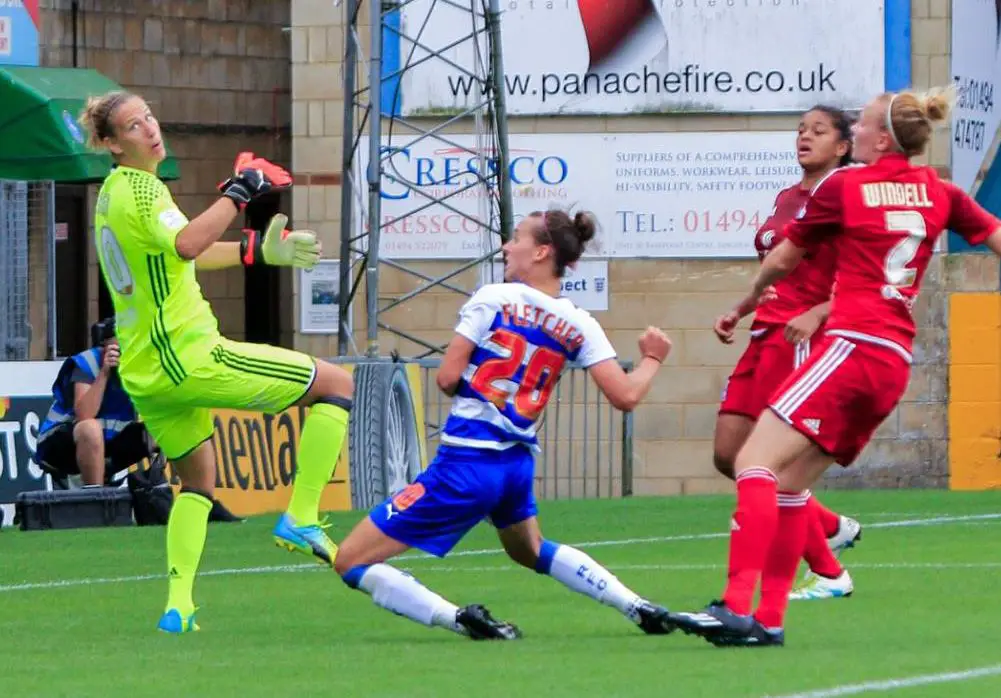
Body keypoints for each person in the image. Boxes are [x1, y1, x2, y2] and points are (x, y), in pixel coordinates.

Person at [669, 86, 1001, 647]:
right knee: (791, 484)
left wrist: (746, 301)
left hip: (850, 347)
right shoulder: (941, 193)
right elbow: (994, 237)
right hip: (893, 362)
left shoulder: (845, 186)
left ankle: (734, 605)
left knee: (753, 461)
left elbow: (783, 258)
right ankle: (769, 621)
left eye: (866, 124)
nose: (860, 131)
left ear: (876, 139)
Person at [80, 91, 355, 634]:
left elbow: (189, 251)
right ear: (111, 144)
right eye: (134, 126)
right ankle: (300, 518)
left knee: (199, 483)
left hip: (147, 369)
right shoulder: (140, 188)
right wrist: (237, 193)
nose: (151, 128)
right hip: (187, 354)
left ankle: (178, 608)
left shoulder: (117, 191)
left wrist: (257, 252)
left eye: (150, 116)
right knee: (336, 385)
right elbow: (186, 244)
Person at [332, 209, 676, 639]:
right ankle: (636, 605)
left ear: (541, 251)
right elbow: (626, 396)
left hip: (466, 462)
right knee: (530, 550)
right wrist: (652, 358)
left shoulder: (493, 297)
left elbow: (445, 378)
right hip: (515, 465)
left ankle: (459, 620)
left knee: (350, 559)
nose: (506, 246)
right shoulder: (579, 322)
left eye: (516, 238)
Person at [713, 106, 862, 602]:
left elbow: (868, 280)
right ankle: (829, 525)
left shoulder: (846, 197)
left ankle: (826, 572)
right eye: (800, 129)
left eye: (818, 131)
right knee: (728, 455)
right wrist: (742, 308)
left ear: (843, 147)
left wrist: (820, 311)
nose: (804, 137)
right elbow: (777, 266)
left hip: (802, 339)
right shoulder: (787, 197)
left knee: (765, 467)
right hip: (765, 332)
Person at [35, 317, 151, 487]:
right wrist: (104, 372)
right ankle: (98, 500)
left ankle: (161, 493)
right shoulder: (87, 361)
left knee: (163, 429)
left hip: (109, 442)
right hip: (63, 442)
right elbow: (84, 415)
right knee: (90, 428)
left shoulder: (138, 366)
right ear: (106, 345)